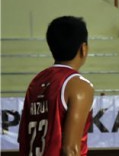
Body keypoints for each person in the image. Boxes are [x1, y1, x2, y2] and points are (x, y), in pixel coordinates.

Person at [18, 16, 94, 156]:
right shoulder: (79, 85)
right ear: (83, 48)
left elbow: (23, 139)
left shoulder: (36, 82)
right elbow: (70, 149)